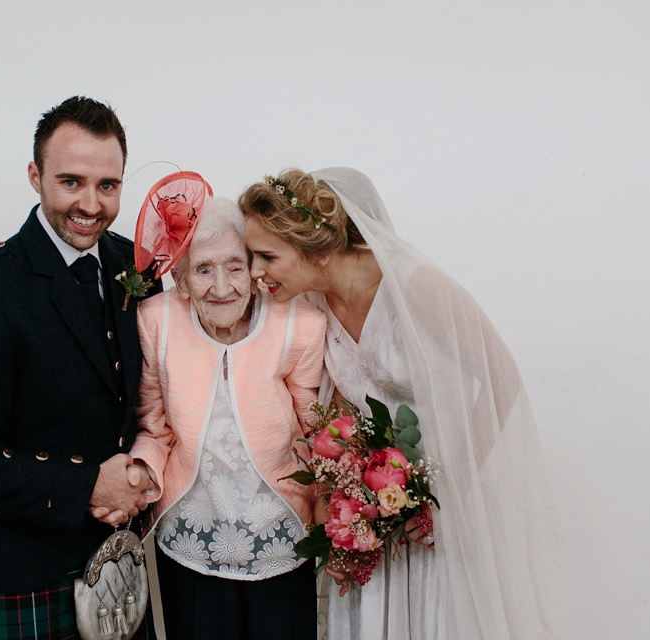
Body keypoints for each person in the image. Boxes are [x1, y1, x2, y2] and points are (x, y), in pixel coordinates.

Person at [239, 168, 565, 639]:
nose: (255, 272)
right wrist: (343, 519)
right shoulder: (314, 305)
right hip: (378, 521)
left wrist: (444, 496)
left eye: (267, 256)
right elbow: (341, 417)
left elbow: (501, 379)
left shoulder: (415, 288)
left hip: (444, 506)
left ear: (323, 251)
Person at [0, 96, 160, 640]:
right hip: (23, 572)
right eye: (71, 181)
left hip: (123, 564)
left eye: (108, 185)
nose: (91, 204)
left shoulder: (139, 268)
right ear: (35, 176)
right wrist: (88, 486)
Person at [128, 193, 326, 639]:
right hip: (189, 532)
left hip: (281, 527)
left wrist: (329, 502)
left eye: (235, 266)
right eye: (203, 269)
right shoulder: (156, 321)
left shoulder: (300, 323)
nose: (221, 287)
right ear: (180, 278)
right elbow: (152, 425)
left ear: (254, 270)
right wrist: (141, 469)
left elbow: (315, 428)